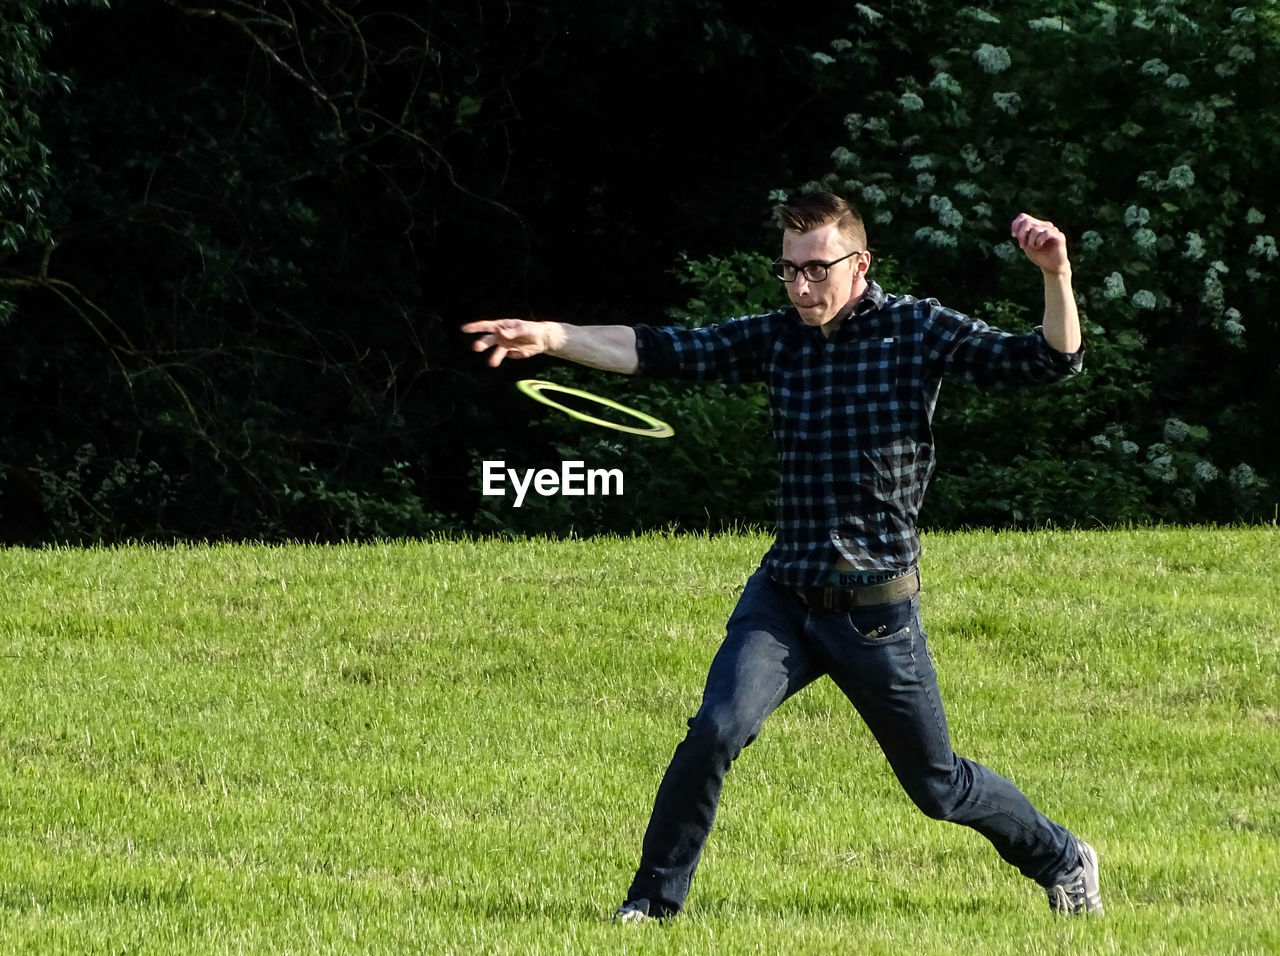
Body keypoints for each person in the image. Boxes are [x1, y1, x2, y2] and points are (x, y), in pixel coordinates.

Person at [462, 192, 1102, 921]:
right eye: (789, 271)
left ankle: (1060, 857)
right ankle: (653, 904)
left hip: (875, 615)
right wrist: (551, 335)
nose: (801, 287)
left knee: (938, 787)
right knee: (713, 731)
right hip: (786, 599)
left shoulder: (917, 329)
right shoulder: (779, 338)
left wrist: (1056, 276)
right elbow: (665, 349)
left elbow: (1050, 362)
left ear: (859, 265)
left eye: (816, 270)